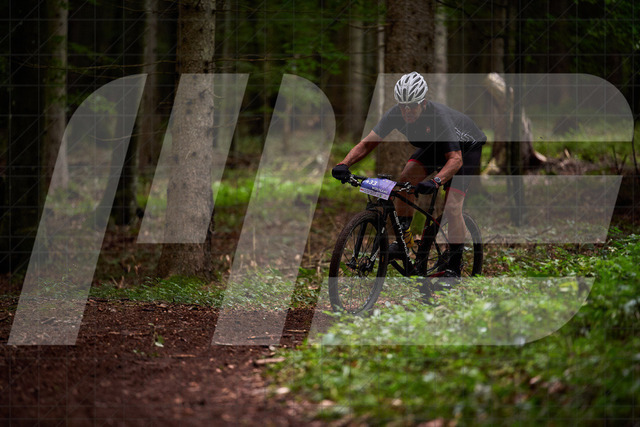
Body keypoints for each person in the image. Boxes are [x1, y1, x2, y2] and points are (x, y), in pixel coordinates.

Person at [331, 71, 486, 277]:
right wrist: (344, 164)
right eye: (402, 106)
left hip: (465, 149)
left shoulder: (438, 117)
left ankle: (454, 266)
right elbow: (368, 144)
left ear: (423, 103)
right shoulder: (395, 114)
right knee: (405, 181)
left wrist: (436, 181)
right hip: (435, 146)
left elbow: (455, 159)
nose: (407, 111)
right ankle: (404, 240)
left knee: (452, 206)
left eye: (412, 105)